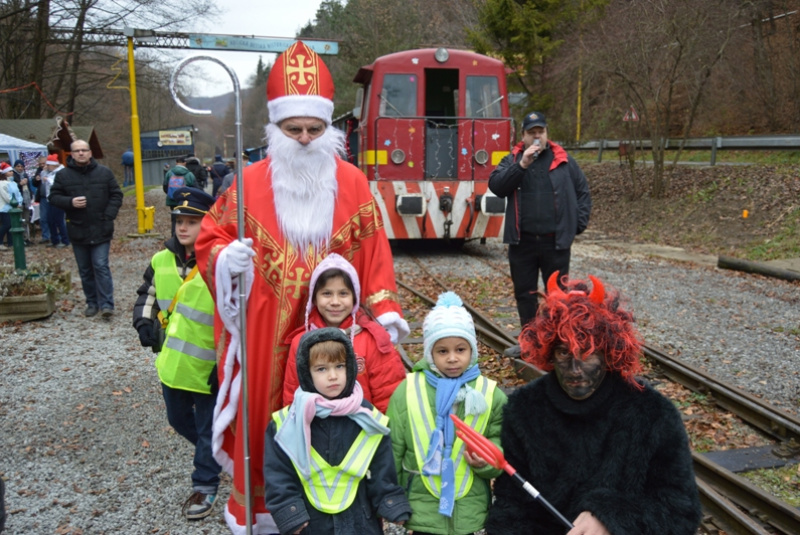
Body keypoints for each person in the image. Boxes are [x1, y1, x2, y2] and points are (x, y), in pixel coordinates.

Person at [194, 40, 408, 534]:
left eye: (315, 128)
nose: (307, 138)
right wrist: (227, 258)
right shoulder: (248, 183)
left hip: (336, 328)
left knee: (337, 422)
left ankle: (341, 506)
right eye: (295, 129)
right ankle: (271, 513)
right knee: (267, 417)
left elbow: (375, 252)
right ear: (276, 129)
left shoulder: (353, 183)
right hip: (268, 331)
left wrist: (386, 309)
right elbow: (211, 236)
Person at [484, 272, 702, 535]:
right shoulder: (523, 410)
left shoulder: (652, 414)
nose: (575, 369)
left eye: (586, 353)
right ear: (549, 352)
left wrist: (610, 518)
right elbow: (511, 509)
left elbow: (682, 511)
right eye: (564, 353)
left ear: (609, 353)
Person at [264, 327, 412, 534]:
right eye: (321, 369)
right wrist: (290, 513)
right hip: (310, 522)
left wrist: (391, 504)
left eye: (339, 366)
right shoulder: (287, 422)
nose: (333, 376)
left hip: (361, 519)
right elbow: (279, 474)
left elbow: (381, 468)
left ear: (350, 368)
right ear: (307, 373)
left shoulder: (368, 416)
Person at [133, 187, 222, 521]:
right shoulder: (161, 259)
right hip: (172, 364)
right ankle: (216, 454)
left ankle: (205, 484)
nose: (183, 227)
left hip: (210, 366)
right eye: (178, 221)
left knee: (208, 428)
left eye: (191, 221)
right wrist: (143, 324)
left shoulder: (219, 262)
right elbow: (147, 294)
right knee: (180, 421)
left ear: (208, 224)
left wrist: (226, 362)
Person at [386, 292, 507, 535]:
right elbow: (392, 450)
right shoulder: (407, 392)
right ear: (429, 353)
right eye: (442, 351)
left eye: (460, 349)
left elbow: (501, 443)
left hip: (468, 506)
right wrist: (392, 502)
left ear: (471, 350)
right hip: (422, 507)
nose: (452, 358)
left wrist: (488, 461)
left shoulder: (490, 394)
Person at [488, 111, 591, 357]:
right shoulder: (513, 159)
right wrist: (522, 164)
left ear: (546, 134)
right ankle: (530, 345)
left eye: (540, 132)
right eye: (531, 133)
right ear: (522, 136)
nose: (536, 137)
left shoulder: (563, 160)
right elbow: (497, 186)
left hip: (555, 243)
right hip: (521, 242)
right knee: (525, 295)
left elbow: (583, 192)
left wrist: (576, 225)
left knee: (557, 296)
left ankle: (558, 343)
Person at [283, 253, 407, 413]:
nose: (335, 302)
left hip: (363, 432)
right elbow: (292, 396)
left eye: (343, 293)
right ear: (314, 299)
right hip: (316, 432)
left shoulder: (372, 340)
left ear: (355, 298)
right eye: (327, 293)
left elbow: (389, 397)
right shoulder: (301, 342)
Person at [49, 140, 123, 318]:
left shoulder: (104, 173)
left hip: (101, 227)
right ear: (71, 154)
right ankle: (92, 302)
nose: (81, 153)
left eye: (84, 150)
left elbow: (116, 194)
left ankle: (107, 304)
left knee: (100, 265)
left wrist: (108, 216)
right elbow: (53, 197)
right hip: (77, 228)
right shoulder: (63, 175)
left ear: (90, 153)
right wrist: (70, 202)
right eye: (77, 151)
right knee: (85, 269)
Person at [163, 156, 197, 235]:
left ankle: (173, 236)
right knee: (184, 219)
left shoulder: (169, 173)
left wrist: (172, 195)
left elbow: (165, 187)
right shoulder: (189, 174)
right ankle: (183, 235)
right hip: (185, 201)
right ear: (185, 163)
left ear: (176, 162)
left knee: (174, 219)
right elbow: (195, 188)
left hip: (172, 200)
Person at [41, 155, 70, 249]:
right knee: (50, 221)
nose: (47, 167)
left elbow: (58, 184)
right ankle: (55, 239)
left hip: (58, 199)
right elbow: (42, 179)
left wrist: (48, 180)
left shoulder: (61, 172)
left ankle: (65, 240)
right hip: (50, 199)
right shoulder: (50, 172)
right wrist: (45, 173)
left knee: (59, 221)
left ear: (53, 165)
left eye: (48, 165)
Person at [0, 163, 23, 250]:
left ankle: (11, 243)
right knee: (7, 225)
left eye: (11, 171)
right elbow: (6, 196)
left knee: (12, 226)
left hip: (14, 207)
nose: (12, 172)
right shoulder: (2, 183)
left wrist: (19, 202)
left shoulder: (13, 182)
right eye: (9, 171)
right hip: (4, 208)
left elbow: (18, 194)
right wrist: (15, 203)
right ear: (5, 173)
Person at [12, 160, 33, 245]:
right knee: (19, 220)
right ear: (15, 167)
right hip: (18, 201)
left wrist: (31, 197)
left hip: (26, 200)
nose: (20, 168)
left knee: (26, 220)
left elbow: (29, 187)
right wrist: (19, 184)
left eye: (21, 166)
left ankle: (26, 238)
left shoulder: (25, 175)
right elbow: (12, 187)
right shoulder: (13, 175)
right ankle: (20, 239)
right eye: (18, 166)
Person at [32, 155, 51, 243]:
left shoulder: (51, 171)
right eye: (40, 164)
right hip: (43, 197)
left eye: (44, 163)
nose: (42, 165)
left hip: (51, 197)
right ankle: (46, 236)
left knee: (53, 217)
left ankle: (55, 235)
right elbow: (35, 184)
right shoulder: (39, 171)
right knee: (43, 218)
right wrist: (36, 179)